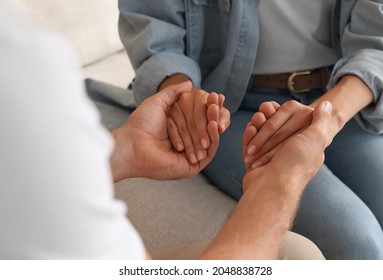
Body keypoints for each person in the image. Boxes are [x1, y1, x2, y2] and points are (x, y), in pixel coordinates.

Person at [0, 0, 329, 260]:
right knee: (303, 255)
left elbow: (21, 179)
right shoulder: (23, 66)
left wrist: (126, 148)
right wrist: (280, 182)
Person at [118, 0, 383, 259]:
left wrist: (327, 116)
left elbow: (382, 33)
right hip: (229, 107)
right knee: (357, 243)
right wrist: (182, 95)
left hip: (347, 94)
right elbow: (153, 25)